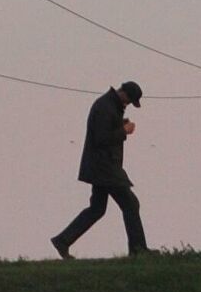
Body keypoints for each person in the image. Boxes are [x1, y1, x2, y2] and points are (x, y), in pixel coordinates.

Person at [50, 81, 152, 258]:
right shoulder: (105, 107)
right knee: (130, 204)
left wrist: (120, 124)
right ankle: (138, 250)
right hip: (105, 168)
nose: (127, 105)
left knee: (97, 209)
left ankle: (63, 240)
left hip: (101, 167)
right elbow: (101, 139)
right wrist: (124, 131)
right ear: (123, 94)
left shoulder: (108, 105)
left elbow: (105, 130)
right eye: (128, 101)